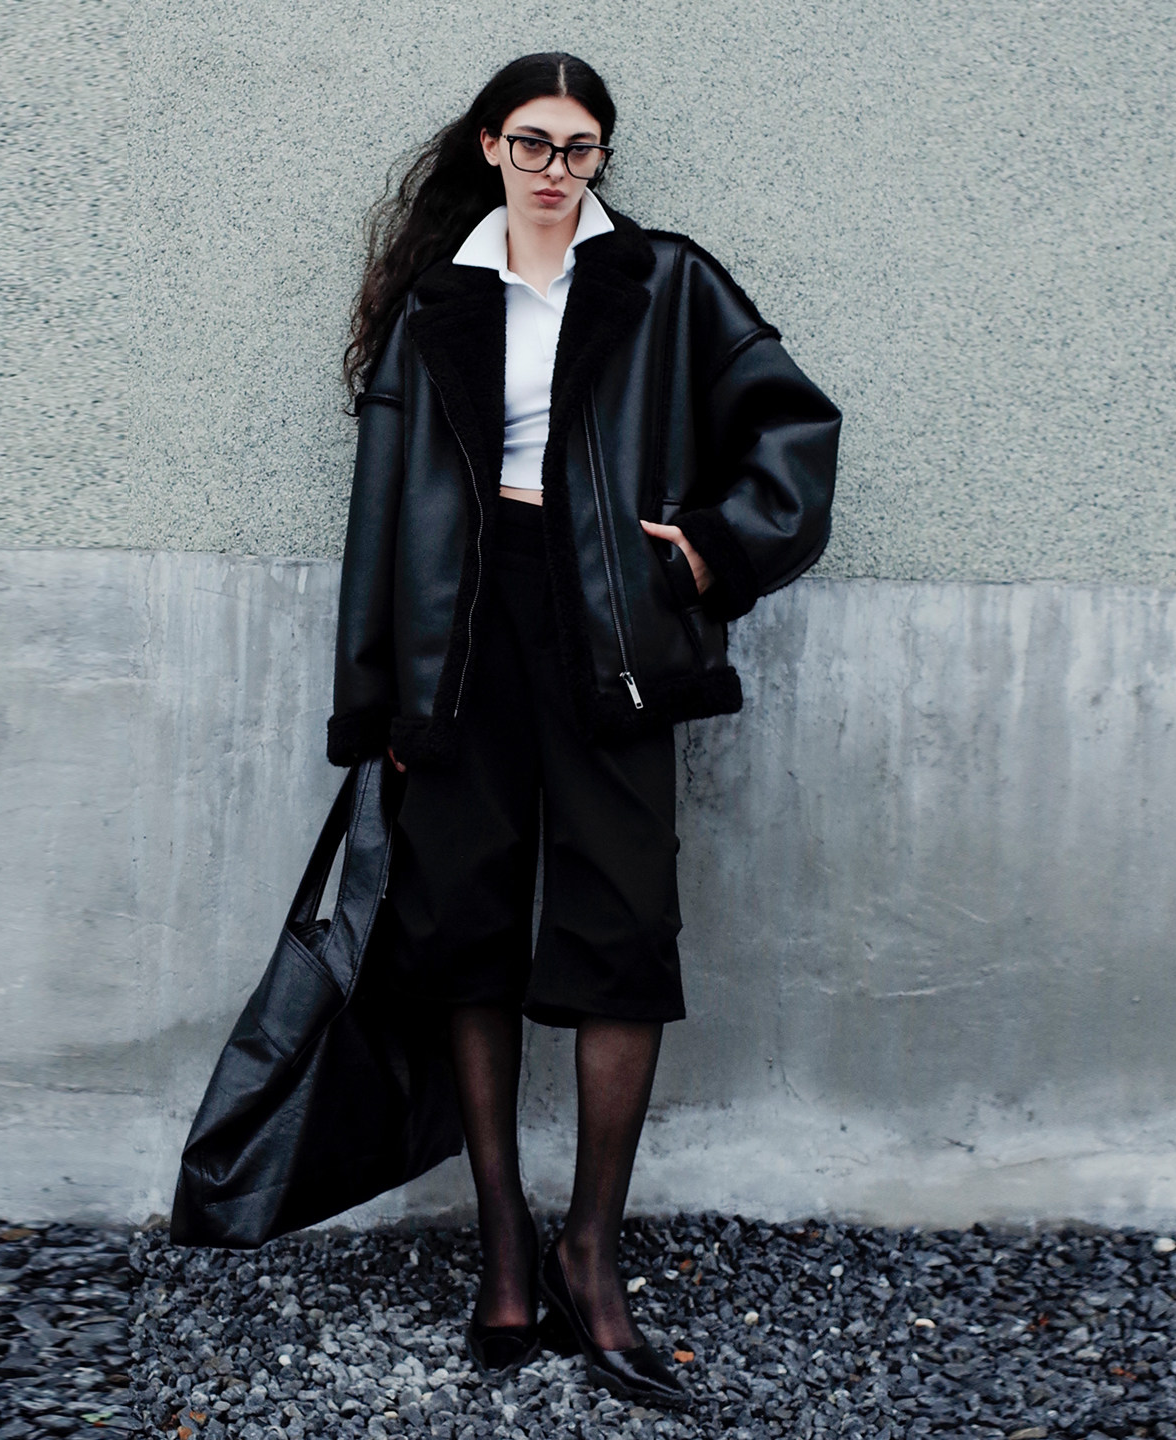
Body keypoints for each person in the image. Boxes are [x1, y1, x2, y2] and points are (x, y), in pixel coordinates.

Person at [329, 52, 841, 1408]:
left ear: (602, 157)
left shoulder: (665, 282)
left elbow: (794, 427)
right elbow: (383, 510)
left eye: (580, 147)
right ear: (490, 147)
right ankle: (504, 1240)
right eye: (533, 143)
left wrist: (712, 550)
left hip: (613, 627)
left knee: (621, 931)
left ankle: (590, 1251)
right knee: (465, 927)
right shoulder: (438, 297)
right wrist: (379, 692)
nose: (556, 169)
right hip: (461, 631)